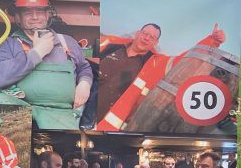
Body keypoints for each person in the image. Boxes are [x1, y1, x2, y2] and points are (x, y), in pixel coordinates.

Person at [0, 0, 93, 130]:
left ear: (48, 15)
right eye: (28, 13)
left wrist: (85, 83)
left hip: (61, 113)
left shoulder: (66, 42)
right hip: (21, 110)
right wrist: (37, 52)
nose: (35, 17)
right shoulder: (7, 44)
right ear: (18, 18)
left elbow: (84, 67)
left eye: (40, 12)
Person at [96, 23, 226, 131]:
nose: (147, 38)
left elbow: (185, 60)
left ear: (155, 42)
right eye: (145, 34)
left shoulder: (156, 64)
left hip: (105, 125)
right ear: (137, 33)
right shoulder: (110, 43)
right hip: (82, 109)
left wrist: (212, 41)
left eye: (152, 37)